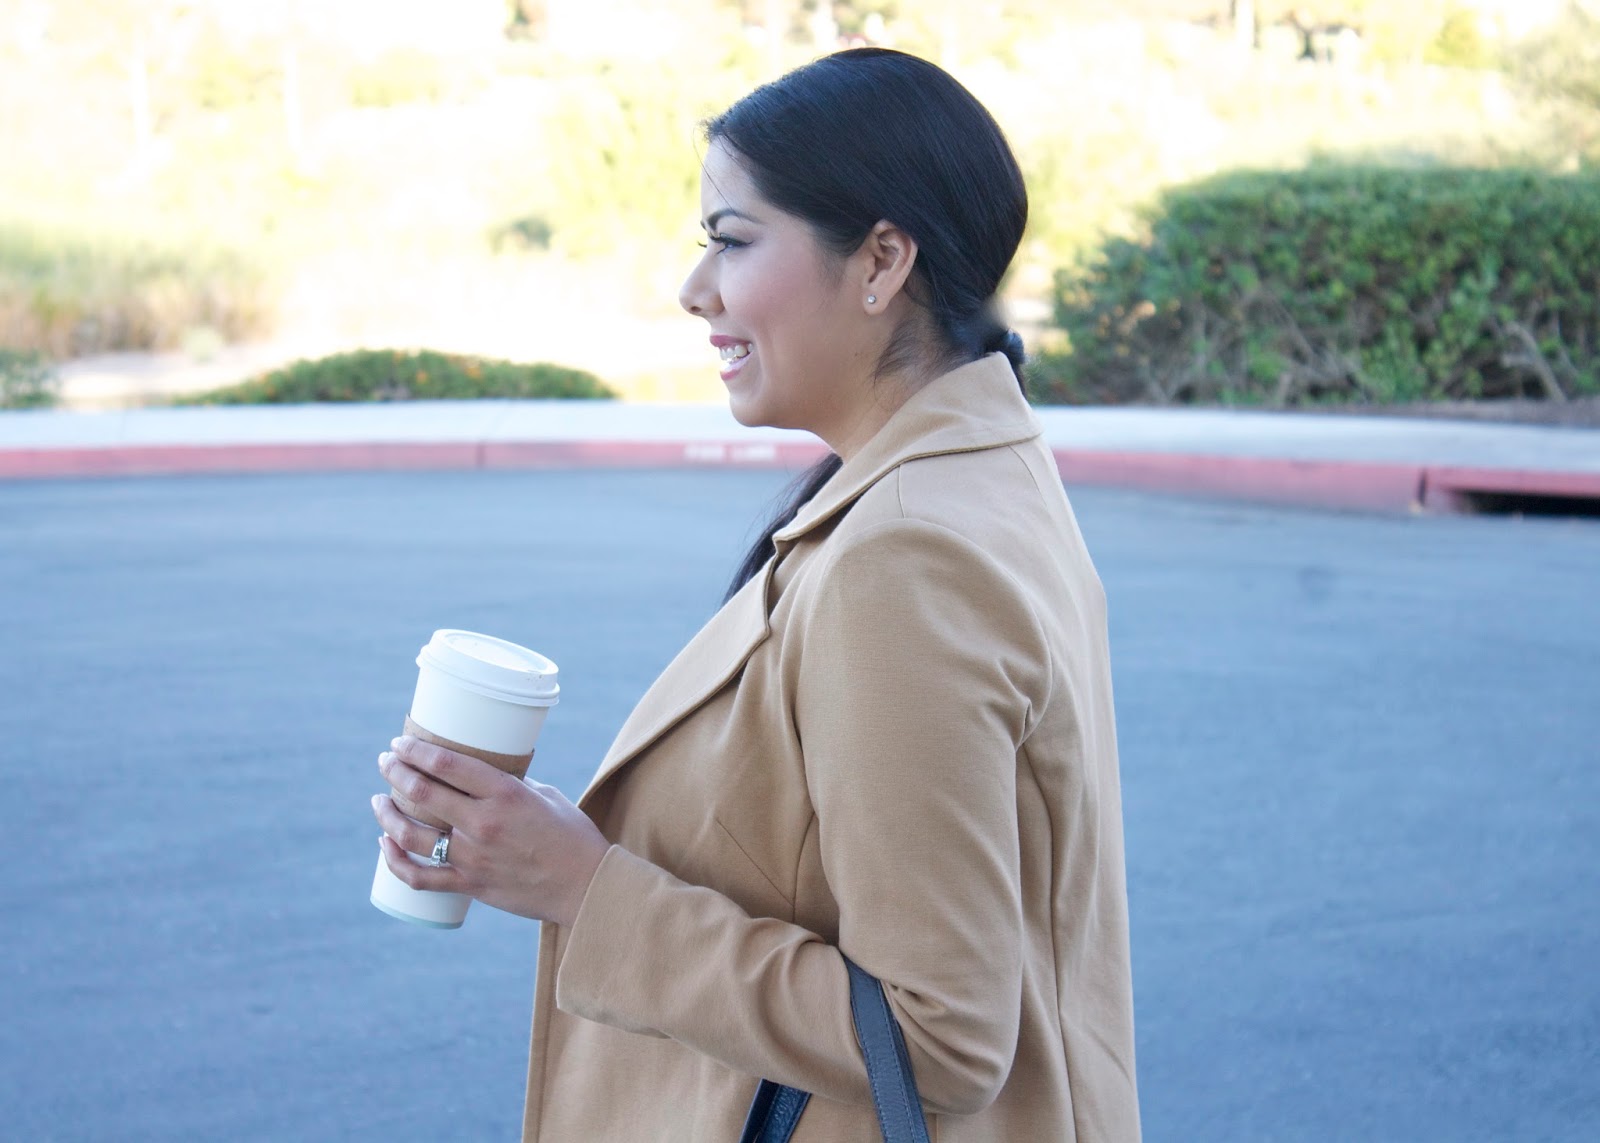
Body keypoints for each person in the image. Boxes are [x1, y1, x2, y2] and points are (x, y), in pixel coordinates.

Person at [372, 47, 1141, 1142]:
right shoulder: (973, 470)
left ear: (881, 261)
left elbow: (938, 1036)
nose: (696, 291)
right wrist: (538, 845)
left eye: (732, 241)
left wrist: (583, 889)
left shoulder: (903, 555)